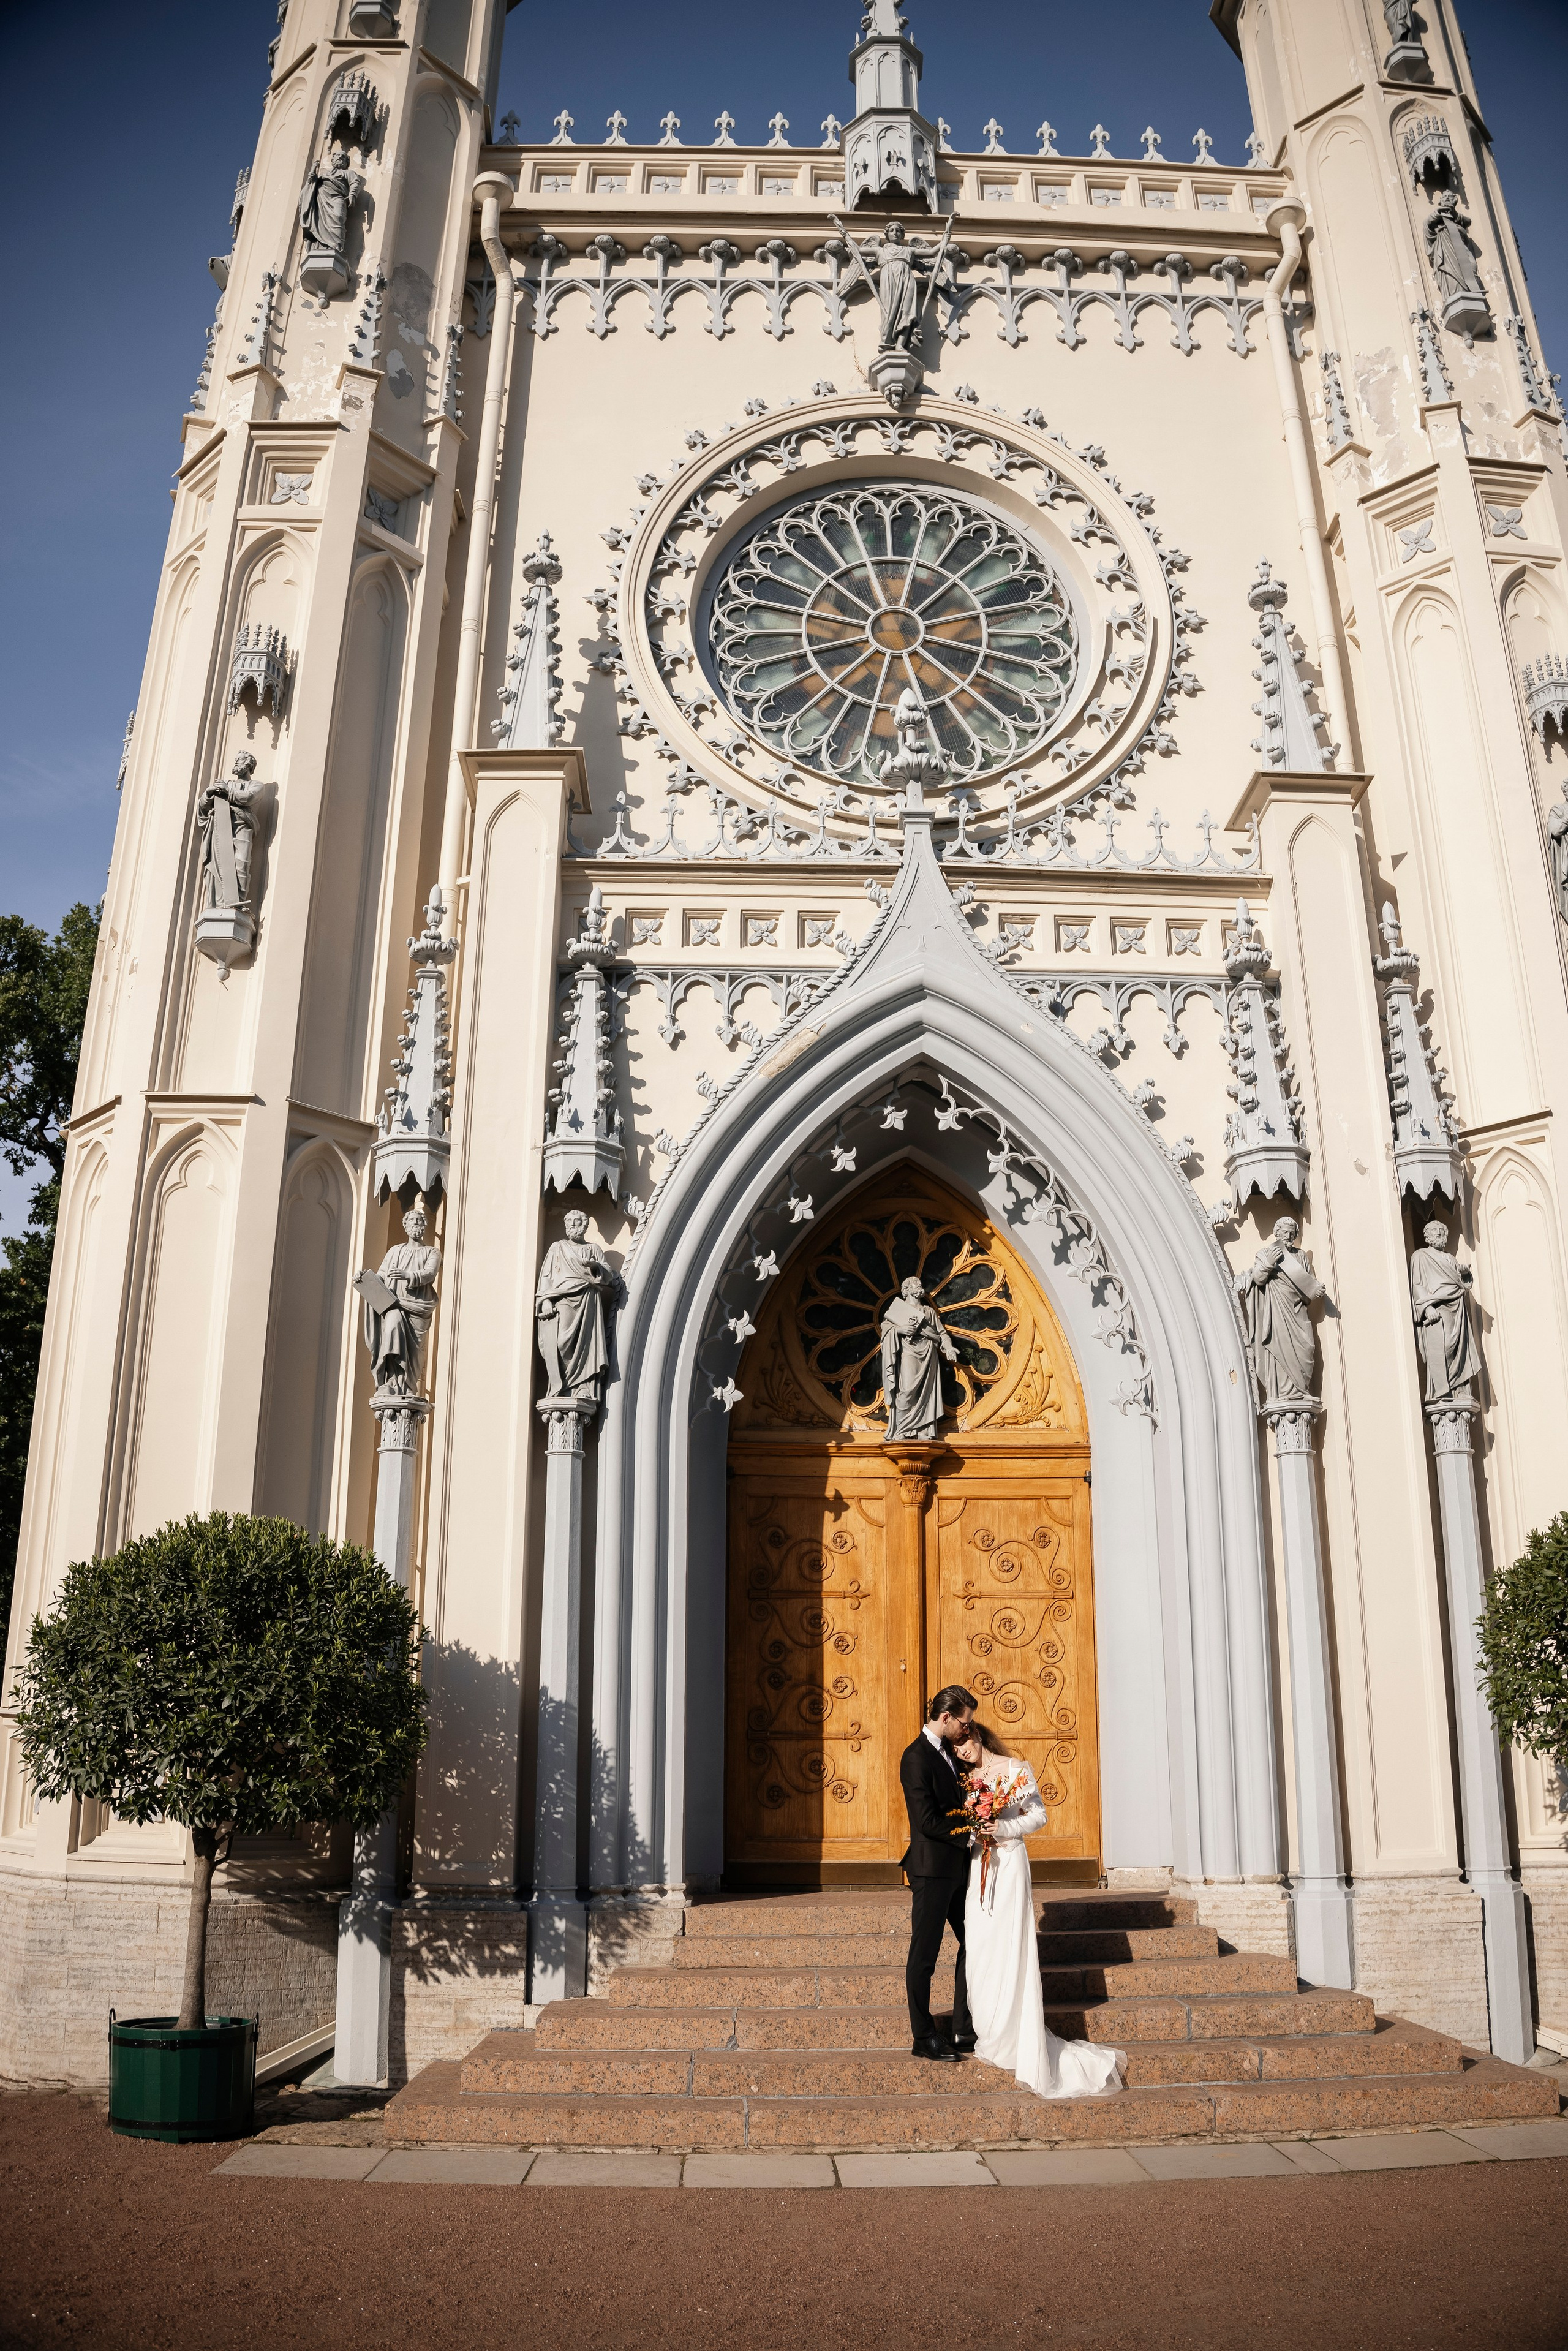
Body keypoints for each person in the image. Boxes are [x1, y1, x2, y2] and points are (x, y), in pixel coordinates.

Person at [949, 1721, 1125, 2100]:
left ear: (977, 1734)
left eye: (964, 1740)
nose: (962, 1750)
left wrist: (1004, 1826)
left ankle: (1013, 2037)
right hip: (981, 1864)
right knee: (981, 1946)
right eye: (955, 1745)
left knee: (1009, 1947)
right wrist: (974, 1831)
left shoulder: (1017, 1770)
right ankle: (990, 2030)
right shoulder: (966, 1780)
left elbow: (1039, 1816)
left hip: (1009, 1864)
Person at [899, 1684, 978, 2061]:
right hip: (931, 1871)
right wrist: (970, 1830)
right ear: (946, 1717)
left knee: (975, 1942)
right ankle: (923, 2035)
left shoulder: (950, 1751)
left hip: (958, 1869)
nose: (968, 1729)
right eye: (964, 1722)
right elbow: (927, 1821)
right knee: (925, 1955)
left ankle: (964, 2028)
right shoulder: (915, 1757)